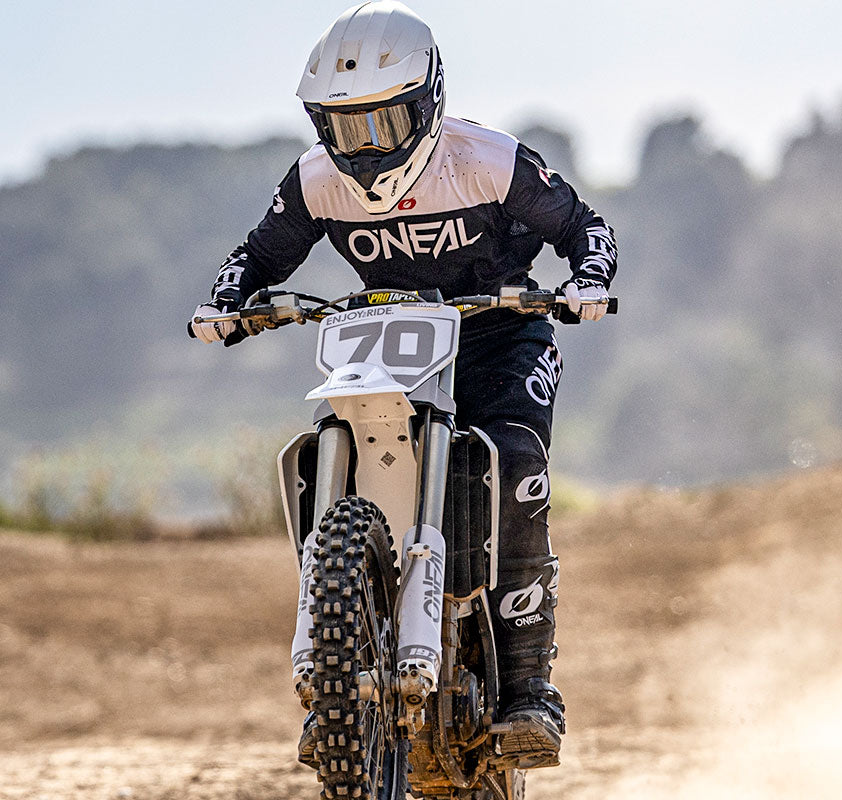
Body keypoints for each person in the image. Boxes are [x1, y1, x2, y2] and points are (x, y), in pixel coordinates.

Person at [190, 0, 617, 770]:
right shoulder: (317, 180)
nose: (363, 148)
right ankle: (337, 674)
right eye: (344, 127)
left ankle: (529, 688)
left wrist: (585, 279)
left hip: (500, 331)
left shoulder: (487, 159)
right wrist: (225, 302)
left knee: (515, 462)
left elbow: (585, 226)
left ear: (427, 104)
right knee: (332, 447)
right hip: (388, 342)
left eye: (381, 124)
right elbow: (257, 255)